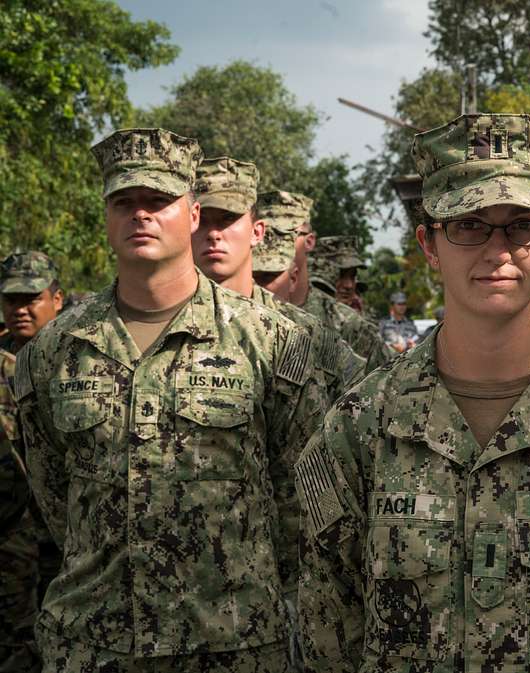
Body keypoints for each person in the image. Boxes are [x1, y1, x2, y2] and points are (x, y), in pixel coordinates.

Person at [296, 113, 530, 673]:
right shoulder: (359, 424)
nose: (498, 249)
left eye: (522, 225)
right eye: (470, 224)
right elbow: (329, 629)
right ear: (430, 244)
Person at [16, 128, 328, 672]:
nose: (141, 215)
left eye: (159, 201)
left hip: (233, 645)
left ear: (191, 214)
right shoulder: (53, 352)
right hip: (92, 644)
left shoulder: (271, 339)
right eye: (125, 202)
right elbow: (55, 497)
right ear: (108, 217)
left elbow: (300, 496)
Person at [192, 158, 365, 403]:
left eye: (227, 219)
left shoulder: (302, 334)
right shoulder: (158, 323)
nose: (213, 233)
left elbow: (369, 404)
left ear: (257, 232)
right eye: (202, 220)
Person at [0, 252, 68, 673]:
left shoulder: (78, 358)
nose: (20, 309)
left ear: (56, 299)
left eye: (32, 298)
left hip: (66, 534)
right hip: (13, 535)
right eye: (11, 300)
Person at [253, 192, 391, 372]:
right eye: (265, 234)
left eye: (286, 233)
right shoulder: (234, 313)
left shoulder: (347, 325)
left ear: (309, 241)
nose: (272, 243)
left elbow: (389, 385)